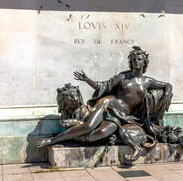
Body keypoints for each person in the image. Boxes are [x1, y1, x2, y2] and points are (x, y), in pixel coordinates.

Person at [38, 46, 173, 147]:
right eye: (133, 60)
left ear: (144, 63)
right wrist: (87, 80)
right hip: (107, 105)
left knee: (98, 134)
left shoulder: (148, 81)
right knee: (88, 127)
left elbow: (167, 85)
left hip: (120, 116)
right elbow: (103, 86)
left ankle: (75, 128)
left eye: (139, 59)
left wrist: (166, 95)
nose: (136, 62)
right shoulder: (122, 77)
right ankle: (53, 140)